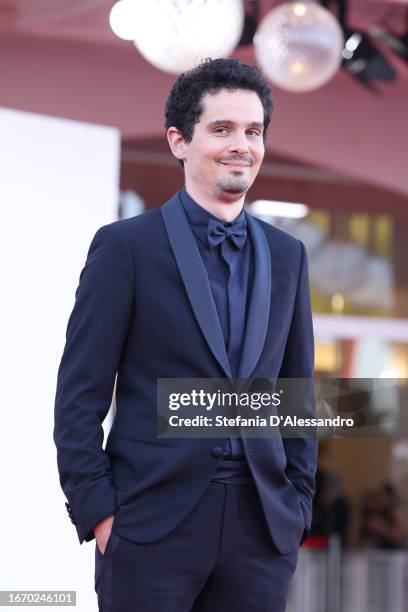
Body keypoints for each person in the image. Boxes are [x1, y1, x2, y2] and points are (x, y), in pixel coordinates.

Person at [54, 58, 317, 612]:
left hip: (262, 530)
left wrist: (298, 504)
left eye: (253, 131)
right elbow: (80, 395)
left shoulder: (287, 256)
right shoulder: (125, 247)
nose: (241, 144)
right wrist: (100, 513)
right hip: (150, 525)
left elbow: (296, 392)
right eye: (222, 129)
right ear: (179, 141)